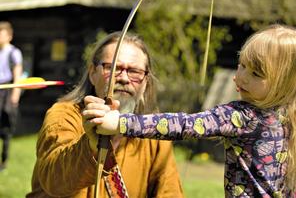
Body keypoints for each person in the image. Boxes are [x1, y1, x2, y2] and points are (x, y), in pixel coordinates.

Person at [90, 24, 296, 197]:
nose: (242, 76)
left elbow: (183, 125)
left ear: (285, 83)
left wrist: (119, 123)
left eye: (256, 73)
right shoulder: (292, 117)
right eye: (242, 65)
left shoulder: (242, 116)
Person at [26, 32, 183, 197]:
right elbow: (54, 181)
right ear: (93, 73)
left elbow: (169, 192)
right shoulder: (63, 116)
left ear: (146, 82)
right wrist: (90, 146)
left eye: (135, 71)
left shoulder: (152, 133)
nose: (123, 78)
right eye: (113, 68)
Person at [0, 21, 23, 171]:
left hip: (8, 91)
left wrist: (15, 94)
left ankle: (4, 159)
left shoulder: (14, 52)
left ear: (9, 36)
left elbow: (17, 75)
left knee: (6, 127)